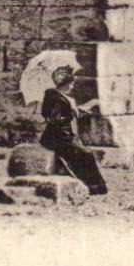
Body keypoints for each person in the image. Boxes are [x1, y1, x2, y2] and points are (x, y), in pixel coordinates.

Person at [39, 66, 108, 195]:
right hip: (58, 137)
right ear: (64, 84)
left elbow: (57, 114)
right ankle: (94, 186)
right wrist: (72, 113)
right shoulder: (56, 98)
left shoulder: (55, 96)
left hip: (62, 135)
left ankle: (93, 185)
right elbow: (55, 119)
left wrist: (79, 109)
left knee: (85, 154)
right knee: (86, 154)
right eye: (71, 84)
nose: (72, 87)